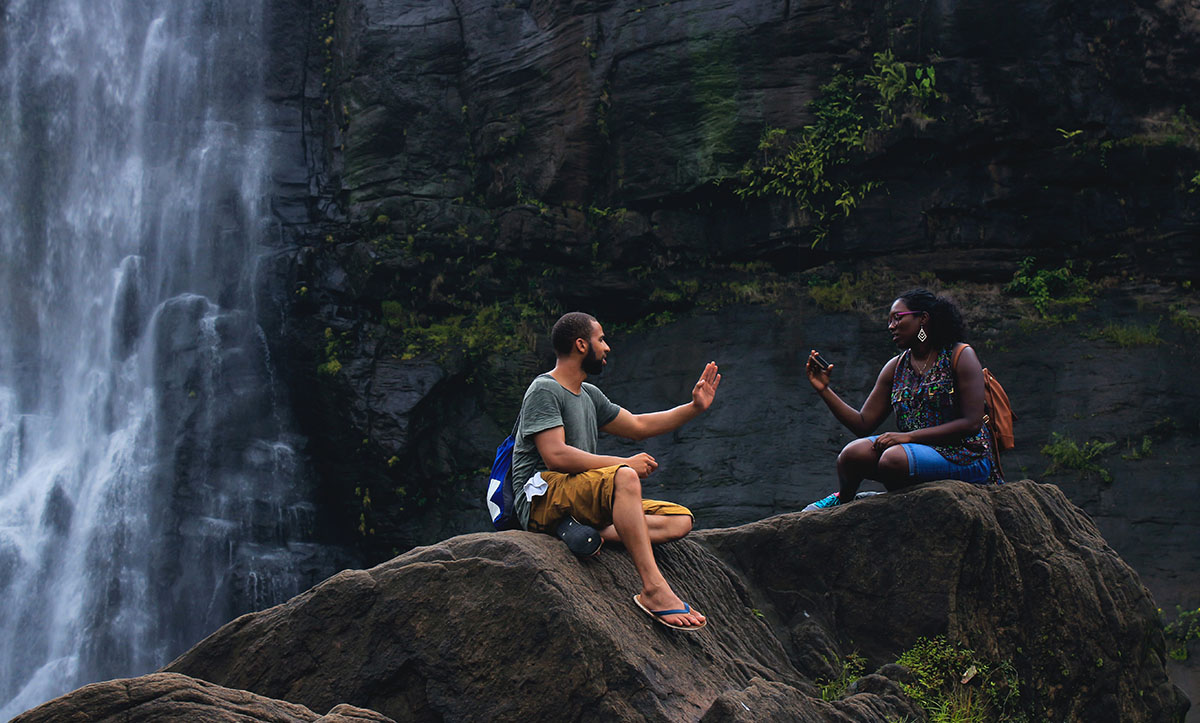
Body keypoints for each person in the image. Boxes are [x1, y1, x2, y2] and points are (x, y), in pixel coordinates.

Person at [509, 311, 720, 630]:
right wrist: (622, 464)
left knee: (679, 520)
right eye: (601, 339)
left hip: (579, 495)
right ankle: (654, 590)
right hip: (542, 495)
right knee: (625, 476)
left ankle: (583, 528)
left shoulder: (589, 395)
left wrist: (694, 408)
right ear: (581, 345)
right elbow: (554, 456)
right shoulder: (544, 389)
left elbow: (637, 426)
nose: (607, 348)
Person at [803, 289, 998, 510]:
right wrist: (824, 390)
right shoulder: (896, 367)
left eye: (898, 317)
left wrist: (907, 437)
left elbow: (971, 423)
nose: (891, 326)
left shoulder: (960, 356)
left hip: (966, 456)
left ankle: (900, 502)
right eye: (889, 320)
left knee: (892, 458)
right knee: (852, 454)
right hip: (911, 454)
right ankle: (845, 501)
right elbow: (863, 423)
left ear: (923, 318)